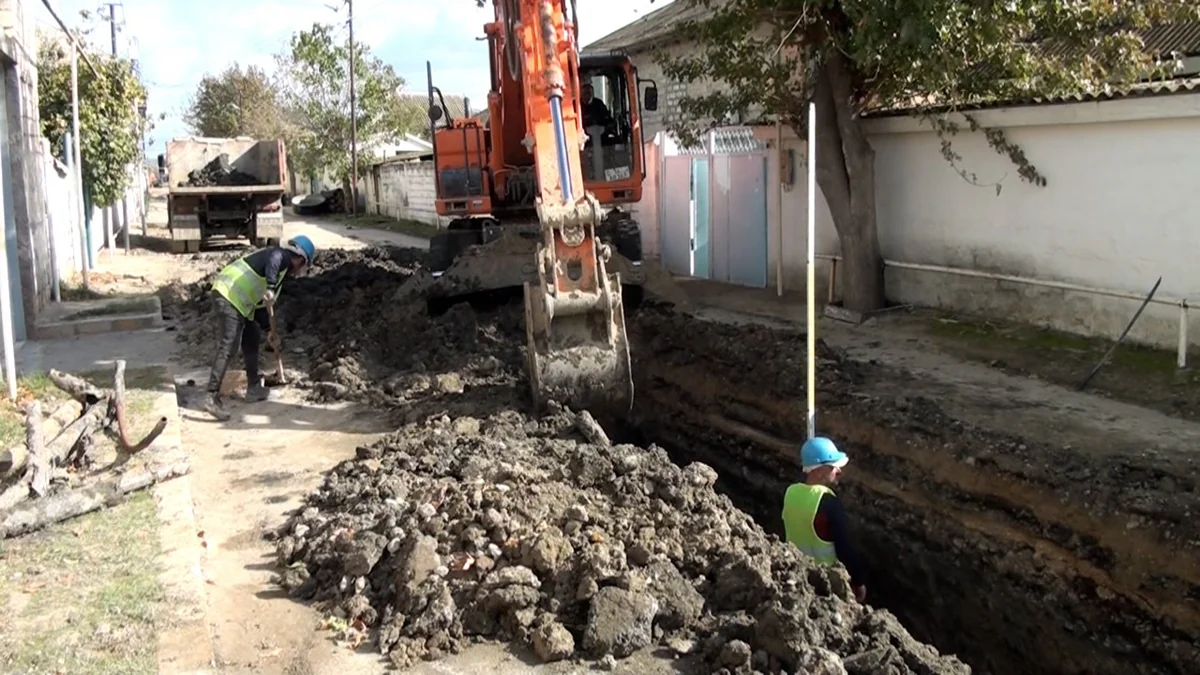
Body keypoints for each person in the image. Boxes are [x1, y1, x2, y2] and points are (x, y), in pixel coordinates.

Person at [202, 235, 315, 420]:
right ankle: (210, 396)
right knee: (229, 345)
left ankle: (253, 387)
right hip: (228, 294)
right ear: (301, 260)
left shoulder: (279, 277)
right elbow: (274, 259)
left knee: (252, 337)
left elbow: (263, 308)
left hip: (243, 304)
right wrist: (270, 286)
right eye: (304, 267)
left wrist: (269, 330)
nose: (300, 272)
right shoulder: (279, 256)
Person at [782, 436, 867, 602]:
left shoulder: (790, 493)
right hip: (826, 584)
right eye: (834, 467)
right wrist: (859, 581)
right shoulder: (828, 502)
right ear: (819, 471)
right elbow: (844, 548)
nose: (839, 472)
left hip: (795, 576)